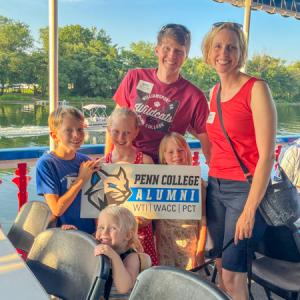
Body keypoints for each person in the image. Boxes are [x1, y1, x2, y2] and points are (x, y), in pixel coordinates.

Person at [202, 22, 277, 299]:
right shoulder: (213, 93)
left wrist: (249, 210)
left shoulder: (256, 89)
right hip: (215, 187)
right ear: (209, 52)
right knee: (222, 267)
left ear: (241, 53)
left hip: (244, 191)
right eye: (218, 46)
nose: (224, 53)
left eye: (232, 47)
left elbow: (267, 156)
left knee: (234, 275)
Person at [112, 23, 210, 164]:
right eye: (167, 48)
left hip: (167, 167)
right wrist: (108, 161)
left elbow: (207, 140)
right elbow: (115, 123)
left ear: (186, 56)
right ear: (157, 50)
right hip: (129, 160)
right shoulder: (134, 77)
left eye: (179, 51)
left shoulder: (194, 96)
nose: (171, 56)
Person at [103, 107, 159, 265]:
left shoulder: (146, 162)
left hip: (140, 234)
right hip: (111, 236)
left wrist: (145, 218)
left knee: (143, 272)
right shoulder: (102, 165)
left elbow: (153, 204)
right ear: (108, 131)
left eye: (127, 132)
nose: (121, 137)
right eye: (116, 131)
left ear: (136, 132)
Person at [36, 106, 99, 234]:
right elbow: (57, 210)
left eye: (80, 129)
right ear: (55, 136)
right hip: (64, 235)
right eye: (68, 130)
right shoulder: (47, 164)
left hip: (90, 233)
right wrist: (81, 179)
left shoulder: (85, 160)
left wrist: (99, 229)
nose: (76, 135)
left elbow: (96, 200)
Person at [155, 132, 206, 270]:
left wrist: (200, 251)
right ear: (164, 157)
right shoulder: (157, 182)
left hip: (189, 243)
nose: (176, 155)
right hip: (164, 242)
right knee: (167, 281)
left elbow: (203, 219)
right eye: (170, 152)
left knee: (189, 283)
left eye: (180, 150)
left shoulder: (197, 182)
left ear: (187, 153)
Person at [94, 205, 143, 299]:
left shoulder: (131, 257)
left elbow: (123, 288)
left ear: (128, 235)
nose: (104, 233)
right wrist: (73, 235)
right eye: (101, 227)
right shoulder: (97, 247)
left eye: (113, 228)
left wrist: (114, 256)